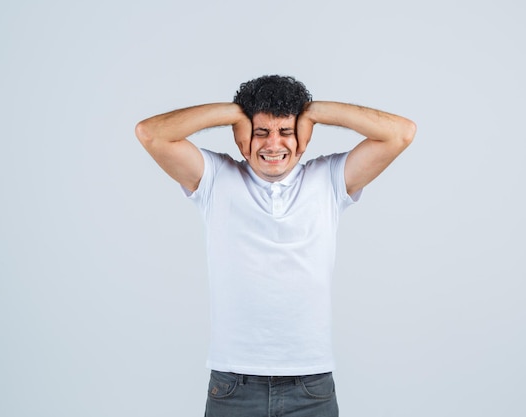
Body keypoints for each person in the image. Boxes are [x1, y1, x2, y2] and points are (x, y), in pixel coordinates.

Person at [135, 75, 416, 417]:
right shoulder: (215, 178)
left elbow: (401, 133)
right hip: (233, 384)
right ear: (242, 137)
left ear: (302, 135)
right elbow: (151, 133)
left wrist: (313, 113)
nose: (273, 145)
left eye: (286, 131)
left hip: (310, 387)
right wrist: (233, 113)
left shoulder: (328, 179)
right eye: (260, 132)